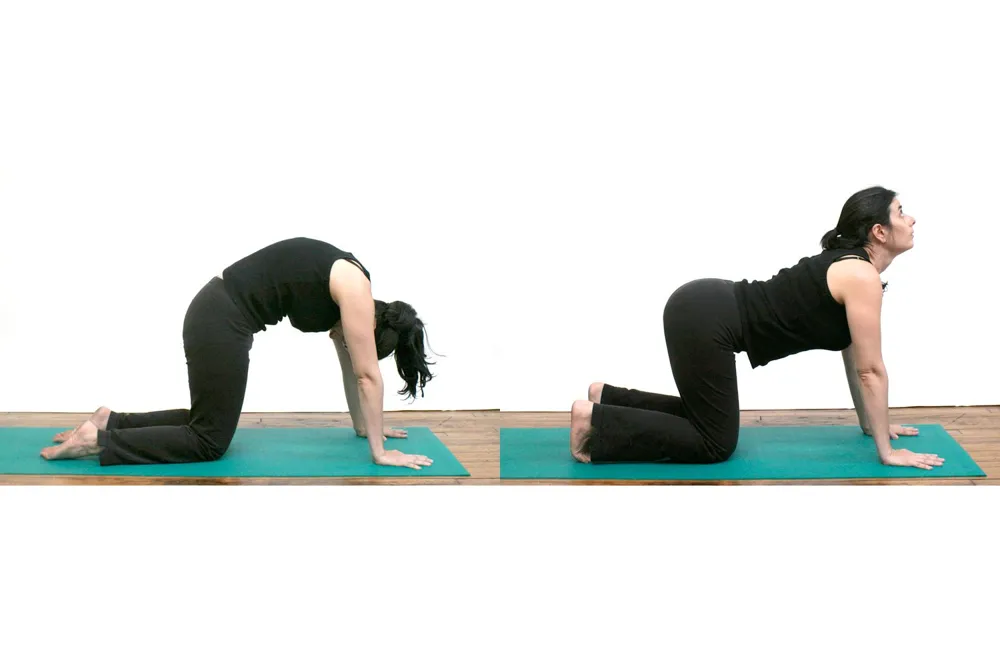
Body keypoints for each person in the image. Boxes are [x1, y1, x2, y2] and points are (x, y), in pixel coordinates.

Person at [571, 186, 944, 471]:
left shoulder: (855, 270)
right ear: (879, 231)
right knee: (715, 443)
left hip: (703, 306)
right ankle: (594, 421)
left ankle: (608, 398)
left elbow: (856, 359)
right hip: (707, 319)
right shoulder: (861, 275)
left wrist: (871, 426)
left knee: (706, 420)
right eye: (901, 212)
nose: (911, 219)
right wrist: (887, 452)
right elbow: (871, 371)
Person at [41, 237, 436, 470]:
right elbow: (367, 375)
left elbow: (353, 370)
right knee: (209, 441)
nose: (352, 345)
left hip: (217, 311)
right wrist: (381, 453)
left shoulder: (348, 291)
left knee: (207, 421)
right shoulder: (355, 290)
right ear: (374, 325)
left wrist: (365, 428)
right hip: (221, 318)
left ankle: (109, 421)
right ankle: (97, 441)